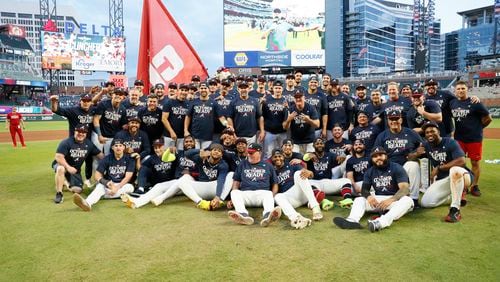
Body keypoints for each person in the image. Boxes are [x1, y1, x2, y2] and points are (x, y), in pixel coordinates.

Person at [333, 147, 414, 232]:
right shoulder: (370, 171)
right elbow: (364, 189)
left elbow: (405, 189)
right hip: (378, 201)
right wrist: (368, 197)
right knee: (359, 199)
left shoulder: (396, 167)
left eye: (380, 155)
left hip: (395, 201)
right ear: (372, 159)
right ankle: (352, 220)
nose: (378, 158)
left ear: (386, 156)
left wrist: (391, 199)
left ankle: (380, 223)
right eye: (375, 156)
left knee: (407, 200)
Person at [417, 122, 471, 222]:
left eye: (432, 131)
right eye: (427, 132)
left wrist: (439, 168)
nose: (429, 134)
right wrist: (416, 153)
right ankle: (455, 196)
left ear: (439, 132)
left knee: (454, 170)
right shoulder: (426, 145)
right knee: (426, 203)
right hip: (444, 180)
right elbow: (409, 157)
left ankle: (455, 209)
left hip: (463, 176)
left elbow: (462, 161)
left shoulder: (450, 142)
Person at [449, 81, 492, 196]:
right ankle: (463, 184)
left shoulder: (475, 102)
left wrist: (479, 127)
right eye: (458, 89)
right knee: (459, 163)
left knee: (475, 163)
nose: (461, 91)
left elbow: (488, 118)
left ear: (467, 89)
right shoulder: (452, 103)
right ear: (455, 91)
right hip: (459, 138)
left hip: (474, 138)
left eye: (463, 88)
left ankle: (474, 186)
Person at [374, 110, 423, 206]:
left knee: (413, 165)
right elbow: (376, 153)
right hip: (389, 168)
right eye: (391, 119)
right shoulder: (382, 136)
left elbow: (422, 146)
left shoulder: (410, 133)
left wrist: (416, 153)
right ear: (388, 121)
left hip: (406, 165)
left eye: (396, 119)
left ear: (401, 119)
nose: (394, 121)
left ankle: (414, 199)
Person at [73, 139, 136, 211]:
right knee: (100, 186)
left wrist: (117, 187)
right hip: (109, 184)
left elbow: (128, 177)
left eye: (120, 146)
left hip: (121, 184)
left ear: (124, 147)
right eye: (116, 146)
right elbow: (97, 175)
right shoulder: (107, 159)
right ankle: (87, 203)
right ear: (112, 148)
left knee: (130, 187)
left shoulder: (129, 159)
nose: (118, 148)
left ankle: (104, 195)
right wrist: (105, 182)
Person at [228, 143, 282, 227]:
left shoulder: (268, 165)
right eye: (248, 152)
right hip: (246, 195)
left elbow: (275, 184)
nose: (249, 154)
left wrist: (272, 196)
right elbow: (236, 182)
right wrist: (233, 200)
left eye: (252, 152)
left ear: (259, 153)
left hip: (262, 195)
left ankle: (268, 215)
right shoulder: (242, 164)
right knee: (234, 192)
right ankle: (243, 215)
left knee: (268, 194)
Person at [50, 93, 95, 186]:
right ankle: (63, 174)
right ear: (80, 101)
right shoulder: (73, 110)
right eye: (84, 101)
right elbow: (56, 110)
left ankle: (87, 179)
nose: (86, 103)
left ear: (91, 102)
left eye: (88, 101)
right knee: (71, 160)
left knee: (89, 160)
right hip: (73, 142)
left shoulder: (93, 110)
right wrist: (54, 101)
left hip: (88, 142)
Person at [121, 139, 180, 209]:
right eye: (155, 148)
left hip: (172, 184)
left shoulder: (172, 155)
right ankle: (140, 190)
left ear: (164, 147)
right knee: (144, 168)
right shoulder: (151, 158)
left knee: (157, 189)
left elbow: (182, 159)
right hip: (157, 183)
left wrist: (175, 151)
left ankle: (136, 201)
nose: (157, 150)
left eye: (159, 147)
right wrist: (138, 159)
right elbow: (141, 170)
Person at [52, 125, 104, 204]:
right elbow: (58, 157)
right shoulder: (66, 142)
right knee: (60, 169)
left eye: (83, 132)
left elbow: (100, 155)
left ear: (86, 134)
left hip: (75, 170)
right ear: (74, 132)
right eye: (79, 131)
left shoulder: (88, 144)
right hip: (63, 165)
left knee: (77, 190)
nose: (81, 134)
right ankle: (59, 193)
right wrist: (68, 167)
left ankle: (65, 183)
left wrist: (112, 161)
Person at [272, 149, 322, 229]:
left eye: (279, 156)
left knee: (298, 173)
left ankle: (315, 207)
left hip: (301, 192)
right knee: (277, 197)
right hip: (291, 199)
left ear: (283, 156)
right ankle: (296, 218)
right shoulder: (272, 171)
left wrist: (309, 173)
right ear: (272, 158)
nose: (278, 158)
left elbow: (307, 173)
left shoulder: (292, 164)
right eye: (275, 157)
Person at [177, 143, 233, 210]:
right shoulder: (201, 158)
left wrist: (218, 196)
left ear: (221, 155)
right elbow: (186, 154)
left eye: (219, 151)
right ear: (210, 152)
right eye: (214, 150)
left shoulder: (223, 165)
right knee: (181, 181)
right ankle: (201, 203)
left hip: (213, 188)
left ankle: (220, 201)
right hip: (201, 188)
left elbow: (221, 180)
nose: (216, 152)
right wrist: (201, 150)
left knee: (231, 174)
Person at [303, 138, 352, 204]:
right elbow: (303, 158)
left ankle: (347, 200)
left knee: (347, 180)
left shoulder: (329, 154)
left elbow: (339, 159)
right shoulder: (310, 155)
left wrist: (344, 155)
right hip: (315, 184)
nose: (319, 145)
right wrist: (308, 155)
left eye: (321, 143)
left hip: (328, 182)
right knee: (307, 183)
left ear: (324, 145)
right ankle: (323, 201)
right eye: (317, 144)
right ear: (313, 146)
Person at [184, 81, 226, 149]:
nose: (203, 90)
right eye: (201, 88)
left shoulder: (214, 103)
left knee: (205, 156)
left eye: (205, 88)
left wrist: (227, 124)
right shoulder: (194, 102)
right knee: (196, 156)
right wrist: (185, 130)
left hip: (207, 136)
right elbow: (188, 116)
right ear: (199, 89)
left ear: (208, 89)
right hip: (195, 135)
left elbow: (221, 117)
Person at [92, 88, 128, 155]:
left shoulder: (123, 109)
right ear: (112, 95)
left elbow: (123, 125)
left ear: (123, 97)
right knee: (96, 157)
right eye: (116, 94)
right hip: (98, 134)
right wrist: (99, 135)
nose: (118, 96)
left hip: (111, 136)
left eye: (120, 95)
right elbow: (96, 119)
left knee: (109, 156)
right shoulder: (103, 104)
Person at [262, 80, 288, 159]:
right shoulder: (267, 100)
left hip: (282, 132)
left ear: (282, 89)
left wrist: (287, 108)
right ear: (273, 89)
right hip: (269, 132)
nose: (278, 90)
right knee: (268, 154)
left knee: (283, 153)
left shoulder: (285, 100)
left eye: (279, 88)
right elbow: (262, 116)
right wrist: (262, 130)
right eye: (276, 88)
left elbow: (287, 117)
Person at [162, 83, 190, 150]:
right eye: (182, 90)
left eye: (186, 90)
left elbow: (188, 118)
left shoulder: (189, 104)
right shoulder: (169, 102)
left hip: (181, 137)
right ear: (178, 91)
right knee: (168, 157)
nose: (183, 92)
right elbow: (164, 119)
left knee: (179, 157)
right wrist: (171, 132)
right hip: (169, 135)